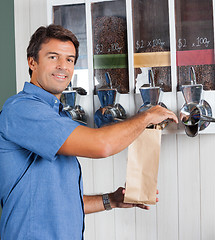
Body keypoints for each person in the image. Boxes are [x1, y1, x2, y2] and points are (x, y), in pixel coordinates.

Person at [0, 24, 178, 240]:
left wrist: (111, 200)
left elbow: (59, 204)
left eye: (69, 59)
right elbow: (101, 145)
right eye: (53, 57)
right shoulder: (22, 110)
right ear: (32, 62)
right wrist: (147, 116)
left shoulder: (57, 116)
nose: (63, 67)